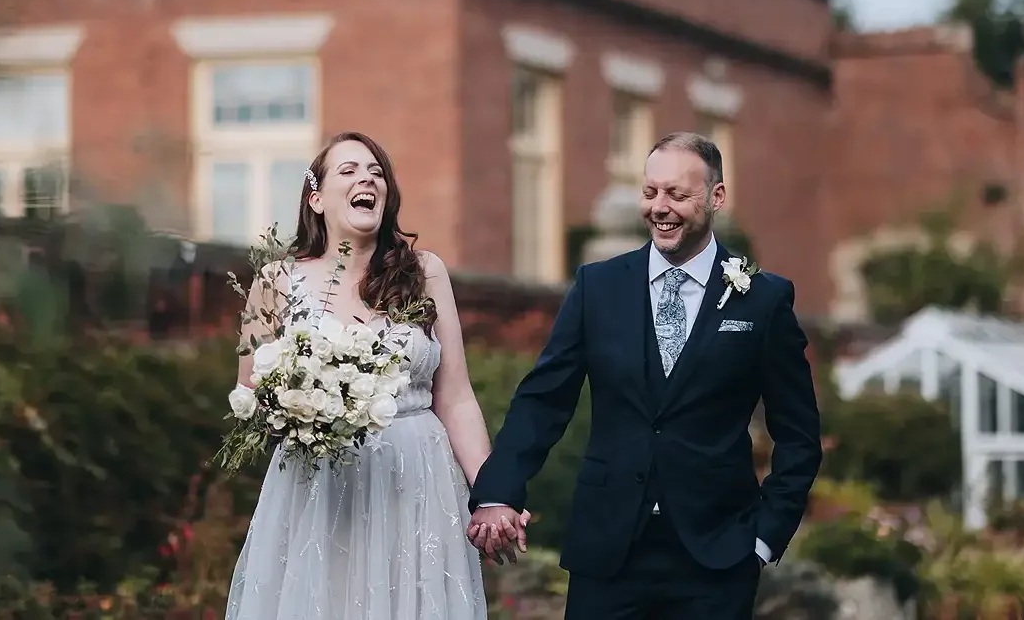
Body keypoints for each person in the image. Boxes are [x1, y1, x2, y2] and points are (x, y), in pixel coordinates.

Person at [468, 132, 822, 620]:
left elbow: (799, 434)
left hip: (717, 555)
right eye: (650, 192)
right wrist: (497, 492)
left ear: (716, 197)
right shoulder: (599, 287)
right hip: (608, 548)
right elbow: (543, 401)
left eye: (677, 194)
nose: (660, 207)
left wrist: (763, 537)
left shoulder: (762, 300)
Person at [225, 131, 523, 620]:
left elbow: (456, 398)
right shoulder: (275, 282)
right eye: (349, 170)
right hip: (317, 487)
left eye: (376, 172)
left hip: (416, 481)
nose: (367, 178)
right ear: (316, 198)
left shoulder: (424, 273)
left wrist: (493, 494)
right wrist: (308, 408)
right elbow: (250, 398)